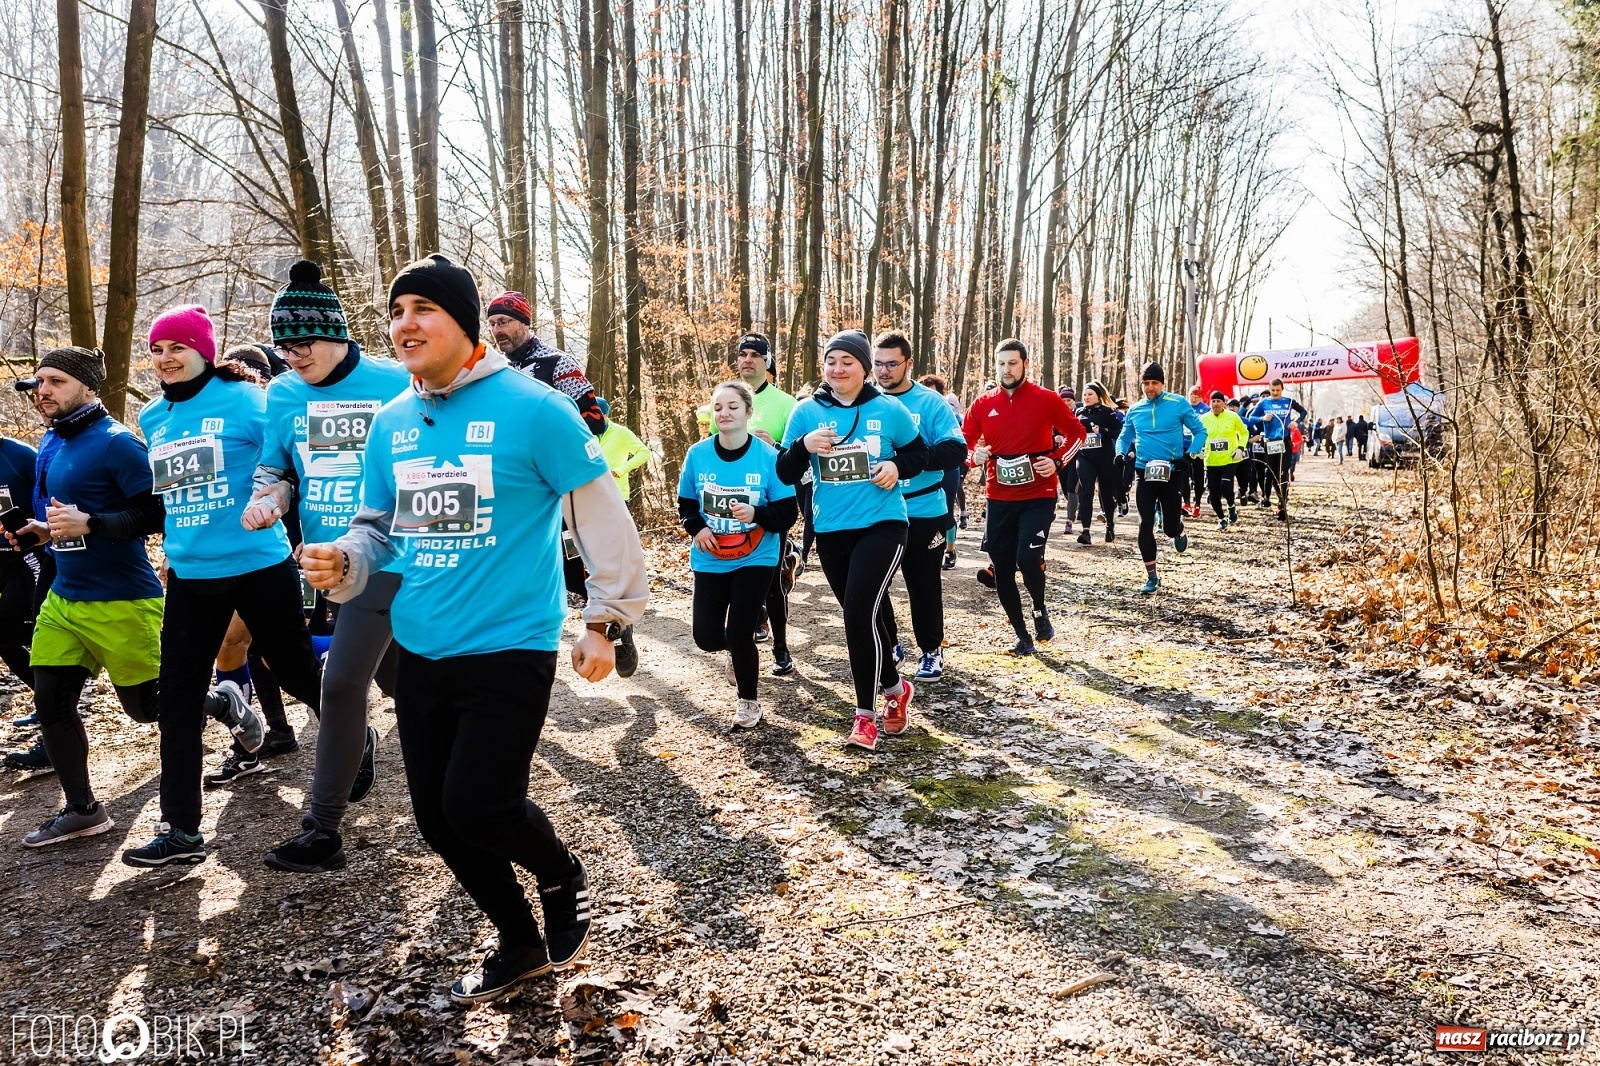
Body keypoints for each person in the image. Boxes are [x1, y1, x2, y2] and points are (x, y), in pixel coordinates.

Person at [302, 253, 648, 1003]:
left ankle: (560, 873)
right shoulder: (392, 422)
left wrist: (605, 621)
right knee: (437, 820)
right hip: (421, 643)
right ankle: (519, 941)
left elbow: (602, 516)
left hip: (510, 643)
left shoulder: (535, 408)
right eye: (396, 312)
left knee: (479, 805)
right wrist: (346, 560)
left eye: (422, 308)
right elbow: (378, 527)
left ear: (463, 321)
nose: (404, 324)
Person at [121, 306, 325, 869]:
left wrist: (286, 509)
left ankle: (352, 735)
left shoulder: (248, 400)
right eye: (157, 349)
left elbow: (293, 461)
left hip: (259, 564)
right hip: (191, 575)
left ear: (204, 351)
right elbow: (170, 499)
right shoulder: (153, 417)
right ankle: (181, 830)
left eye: (177, 348)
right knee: (178, 700)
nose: (165, 358)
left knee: (294, 672)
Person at [235, 261, 412, 874]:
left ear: (336, 333)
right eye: (284, 347)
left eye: (304, 342)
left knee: (351, 684)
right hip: (331, 565)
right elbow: (277, 468)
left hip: (403, 553)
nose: (294, 356)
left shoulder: (396, 380)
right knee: (386, 682)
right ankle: (447, 770)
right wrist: (269, 500)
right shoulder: (283, 393)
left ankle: (324, 829)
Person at [777, 329, 926, 751]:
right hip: (831, 530)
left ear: (864, 368)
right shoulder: (806, 412)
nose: (838, 369)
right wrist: (804, 446)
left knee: (857, 615)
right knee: (866, 617)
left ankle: (865, 717)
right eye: (831, 361)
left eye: (847, 361)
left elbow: (919, 455)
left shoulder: (890, 409)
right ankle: (896, 689)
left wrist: (896, 467)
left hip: (884, 524)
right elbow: (785, 472)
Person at [679, 381, 797, 727]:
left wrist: (756, 513)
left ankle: (748, 702)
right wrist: (698, 529)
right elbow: (686, 504)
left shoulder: (768, 457)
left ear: (748, 412)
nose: (724, 413)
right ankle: (737, 643)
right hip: (710, 556)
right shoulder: (698, 454)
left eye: (732, 406)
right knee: (706, 637)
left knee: (740, 633)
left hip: (756, 556)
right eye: (718, 407)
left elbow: (788, 513)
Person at [961, 339, 1084, 656]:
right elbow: (963, 443)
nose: (1006, 369)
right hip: (998, 496)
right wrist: (974, 456)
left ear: (1026, 364)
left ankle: (1039, 609)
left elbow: (1077, 434)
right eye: (1001, 363)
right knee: (1002, 569)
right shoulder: (982, 404)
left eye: (1013, 363)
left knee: (1028, 560)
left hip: (1037, 494)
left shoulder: (1046, 399)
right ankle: (1022, 636)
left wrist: (1057, 461)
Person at [872, 331, 966, 682]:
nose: (883, 371)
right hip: (877, 509)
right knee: (872, 584)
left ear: (908, 363)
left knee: (923, 584)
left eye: (891, 364)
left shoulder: (930, 402)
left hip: (923, 508)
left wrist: (910, 459)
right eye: (877, 364)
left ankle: (931, 649)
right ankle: (890, 644)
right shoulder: (864, 401)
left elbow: (956, 450)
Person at [730, 334, 800, 675]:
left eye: (755, 354)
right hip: (731, 502)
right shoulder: (726, 399)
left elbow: (797, 460)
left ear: (767, 361)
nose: (747, 359)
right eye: (742, 354)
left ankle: (781, 647)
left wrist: (774, 446)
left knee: (772, 580)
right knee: (736, 572)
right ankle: (751, 626)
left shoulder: (787, 404)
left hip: (773, 502)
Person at [1115, 363, 1207, 594]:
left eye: (1154, 383)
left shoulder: (1178, 403)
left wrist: (1190, 455)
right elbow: (1124, 437)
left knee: (1169, 528)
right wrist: (1120, 453)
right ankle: (1152, 577)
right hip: (1144, 472)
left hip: (1172, 472)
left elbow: (1201, 431)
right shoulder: (1135, 409)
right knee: (1145, 524)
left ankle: (1179, 529)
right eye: (1146, 383)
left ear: (1162, 383)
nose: (1150, 387)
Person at [486, 291, 607, 435]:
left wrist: (544, 425)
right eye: (492, 324)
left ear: (524, 323)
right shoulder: (496, 368)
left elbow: (596, 420)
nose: (496, 330)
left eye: (503, 322)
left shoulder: (559, 363)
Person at [918, 374, 966, 567]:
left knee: (946, 510)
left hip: (948, 468)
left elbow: (959, 440)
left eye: (934, 391)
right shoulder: (915, 408)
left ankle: (950, 550)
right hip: (925, 469)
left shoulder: (947, 409)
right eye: (926, 390)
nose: (930, 395)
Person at [1243, 378, 1306, 522]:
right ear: (1270, 389)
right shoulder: (1263, 403)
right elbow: (1251, 418)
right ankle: (1280, 499)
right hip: (1270, 442)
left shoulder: (1288, 401)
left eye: (1278, 390)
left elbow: (1303, 411)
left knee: (1283, 474)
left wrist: (1296, 422)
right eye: (1273, 390)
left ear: (1282, 389)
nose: (1275, 393)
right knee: (1274, 474)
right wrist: (1263, 418)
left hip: (1285, 441)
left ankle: (1282, 505)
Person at [1072, 381, 1121, 544]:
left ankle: (1110, 525)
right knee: (1086, 491)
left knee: (1106, 493)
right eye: (1084, 395)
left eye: (1090, 394)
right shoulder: (1078, 412)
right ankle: (1085, 532)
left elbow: (1118, 432)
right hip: (1084, 457)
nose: (1086, 397)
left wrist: (1103, 431)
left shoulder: (1107, 412)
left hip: (1105, 458)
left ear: (1098, 396)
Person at [1199, 390, 1249, 529]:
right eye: (1213, 401)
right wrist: (1198, 449)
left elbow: (1244, 433)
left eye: (1218, 401)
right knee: (1213, 494)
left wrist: (1240, 448)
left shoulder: (1233, 417)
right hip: (1211, 461)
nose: (1215, 404)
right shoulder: (1203, 419)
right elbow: (1197, 435)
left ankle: (1231, 506)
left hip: (1229, 459)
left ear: (1224, 403)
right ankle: (1221, 519)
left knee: (1225, 486)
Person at [593, 398, 653, 501]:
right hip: (592, 495)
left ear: (605, 414)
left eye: (595, 415)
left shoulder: (622, 433)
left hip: (617, 494)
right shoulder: (586, 434)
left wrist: (620, 470)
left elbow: (644, 453)